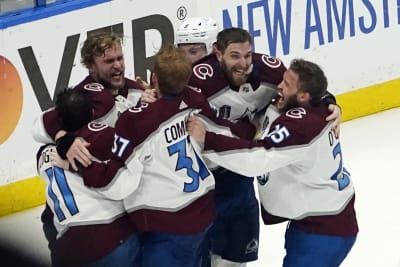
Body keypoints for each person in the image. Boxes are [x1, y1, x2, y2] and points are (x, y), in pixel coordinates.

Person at [74, 45, 254, 267]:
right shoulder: (195, 99)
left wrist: (86, 166)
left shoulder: (135, 121)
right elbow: (226, 132)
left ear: (154, 77)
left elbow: (118, 184)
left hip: (168, 224)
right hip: (204, 211)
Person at [187, 58, 359, 267]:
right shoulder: (300, 107)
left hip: (324, 229)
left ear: (303, 96)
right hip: (314, 220)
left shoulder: (300, 126)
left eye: (286, 84)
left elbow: (256, 159)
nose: (279, 85)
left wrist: (208, 139)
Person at [31, 31, 145, 263]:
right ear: (91, 68)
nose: (118, 66)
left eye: (120, 58)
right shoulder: (86, 98)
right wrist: (64, 137)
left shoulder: (135, 92)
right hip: (88, 209)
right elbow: (39, 124)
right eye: (109, 61)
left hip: (111, 205)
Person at [37, 88, 140, 267]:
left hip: (66, 252)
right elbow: (124, 182)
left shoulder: (41, 155)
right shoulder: (104, 137)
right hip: (111, 241)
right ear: (92, 112)